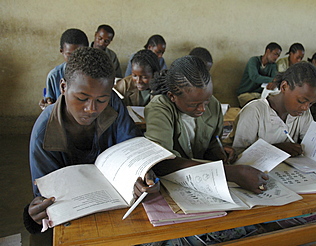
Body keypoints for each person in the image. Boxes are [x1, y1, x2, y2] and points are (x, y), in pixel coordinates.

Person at [24, 47, 158, 236]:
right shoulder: (44, 134)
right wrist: (38, 210)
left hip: (119, 209)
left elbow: (133, 148)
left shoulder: (113, 105)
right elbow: (48, 197)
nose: (92, 109)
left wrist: (142, 174)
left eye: (101, 99)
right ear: (63, 87)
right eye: (82, 98)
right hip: (77, 217)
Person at [145, 55, 268, 194]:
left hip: (203, 183)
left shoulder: (213, 104)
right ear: (172, 96)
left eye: (206, 101)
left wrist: (218, 151)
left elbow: (212, 142)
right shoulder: (160, 108)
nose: (203, 109)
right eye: (194, 105)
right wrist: (231, 173)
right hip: (170, 186)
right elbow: (162, 162)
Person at [228, 62, 316, 172]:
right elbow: (238, 155)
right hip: (256, 176)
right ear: (284, 87)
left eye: (311, 103)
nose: (306, 107)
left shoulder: (302, 113)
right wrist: (277, 149)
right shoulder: (255, 111)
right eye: (301, 101)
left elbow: (313, 145)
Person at [39, 28, 89, 110]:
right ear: (61, 51)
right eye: (69, 55)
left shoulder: (95, 74)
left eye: (79, 54)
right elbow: (50, 99)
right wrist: (48, 102)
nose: (74, 59)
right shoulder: (54, 76)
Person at [237, 42, 282, 107]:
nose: (276, 57)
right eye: (275, 54)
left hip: (261, 94)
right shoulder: (253, 61)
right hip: (246, 93)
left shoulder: (273, 65)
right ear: (268, 51)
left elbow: (275, 79)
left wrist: (274, 82)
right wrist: (273, 80)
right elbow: (254, 77)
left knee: (270, 105)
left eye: (278, 55)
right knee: (256, 105)